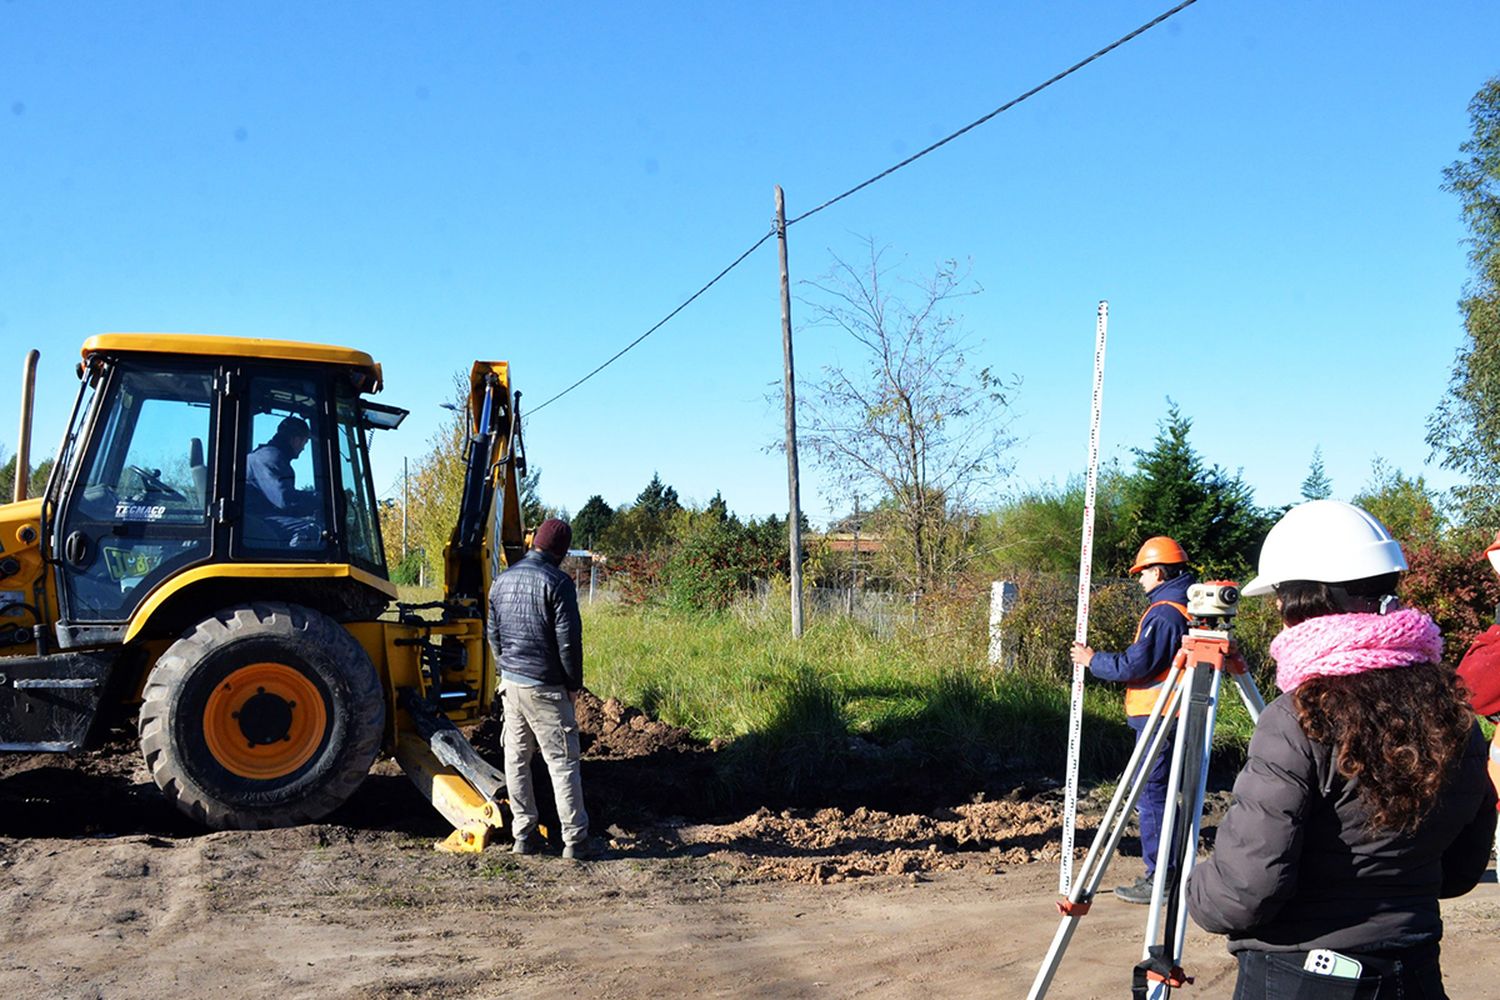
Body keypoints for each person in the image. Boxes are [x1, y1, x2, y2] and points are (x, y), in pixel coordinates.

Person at [1187, 500, 1496, 999]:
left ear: (1303, 602)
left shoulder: (1297, 717)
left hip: (1300, 977)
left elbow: (1243, 892)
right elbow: (1461, 870)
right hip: (1412, 972)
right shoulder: (1454, 712)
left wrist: (1195, 887)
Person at [1070, 535, 1194, 904]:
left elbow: (1136, 664)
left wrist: (1093, 660)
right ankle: (1173, 873)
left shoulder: (1166, 613)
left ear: (1158, 572)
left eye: (1142, 573)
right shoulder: (1185, 606)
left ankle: (1160, 878)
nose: (1139, 580)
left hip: (1159, 715)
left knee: (1153, 796)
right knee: (1169, 794)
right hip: (1173, 713)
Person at [486, 518, 596, 860]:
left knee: (516, 760)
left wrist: (506, 668)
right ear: (560, 551)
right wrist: (573, 686)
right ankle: (575, 841)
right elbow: (569, 643)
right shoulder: (559, 583)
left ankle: (524, 835)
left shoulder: (501, 581)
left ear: (535, 542)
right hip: (546, 688)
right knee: (562, 762)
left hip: (512, 685)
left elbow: (493, 633)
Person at [244, 415, 321, 547]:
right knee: (311, 530)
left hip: (259, 517)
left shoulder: (268, 456)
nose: (303, 448)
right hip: (256, 520)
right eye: (304, 442)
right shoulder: (270, 459)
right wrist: (319, 499)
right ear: (295, 440)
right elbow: (285, 500)